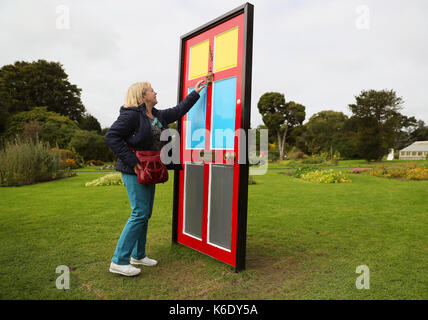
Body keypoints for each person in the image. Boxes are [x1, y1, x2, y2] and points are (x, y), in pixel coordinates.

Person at [105, 79, 205, 276]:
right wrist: (132, 160)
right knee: (139, 213)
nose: (155, 92)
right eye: (151, 90)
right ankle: (118, 260)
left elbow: (178, 110)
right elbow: (111, 136)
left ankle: (138, 255)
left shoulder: (157, 115)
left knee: (145, 214)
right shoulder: (131, 115)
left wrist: (195, 92)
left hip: (151, 169)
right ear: (142, 96)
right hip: (134, 170)